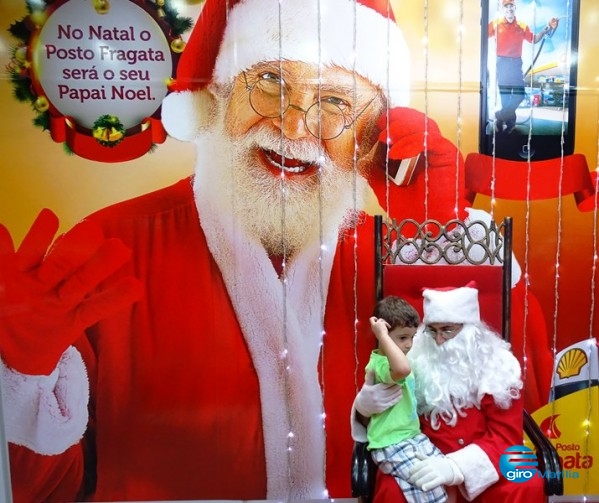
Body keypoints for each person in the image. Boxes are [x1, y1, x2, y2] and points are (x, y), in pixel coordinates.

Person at [0, 0, 551, 501]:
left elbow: (522, 408)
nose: (294, 127)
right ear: (217, 94)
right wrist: (22, 380)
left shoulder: (403, 258)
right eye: (269, 82)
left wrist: (449, 240)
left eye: (335, 101)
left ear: (372, 135)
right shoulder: (107, 250)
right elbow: (44, 492)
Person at [353, 282, 546, 502]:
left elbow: (506, 437)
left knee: (527, 484)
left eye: (447, 330)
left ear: (470, 329)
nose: (439, 339)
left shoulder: (498, 365)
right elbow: (384, 420)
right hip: (423, 455)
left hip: (486, 462)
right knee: (394, 491)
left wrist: (456, 466)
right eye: (432, 330)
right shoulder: (411, 357)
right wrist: (363, 407)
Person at [366, 296, 448, 503]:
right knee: (428, 490)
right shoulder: (381, 364)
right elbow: (402, 369)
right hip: (390, 442)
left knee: (441, 476)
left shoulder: (399, 359)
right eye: (402, 338)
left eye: (412, 337)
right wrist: (382, 335)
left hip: (412, 436)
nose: (409, 345)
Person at [488, 0, 558, 133]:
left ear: (515, 8)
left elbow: (534, 39)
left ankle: (500, 117)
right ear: (503, 9)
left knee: (519, 95)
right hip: (501, 65)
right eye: (506, 6)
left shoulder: (522, 25)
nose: (509, 8)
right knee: (506, 98)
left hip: (515, 65)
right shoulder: (495, 24)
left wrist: (547, 27)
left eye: (511, 6)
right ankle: (509, 125)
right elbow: (482, 35)